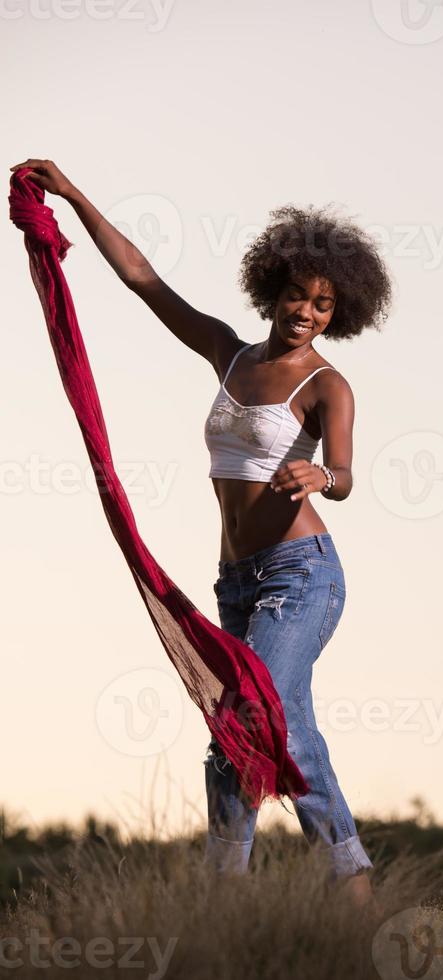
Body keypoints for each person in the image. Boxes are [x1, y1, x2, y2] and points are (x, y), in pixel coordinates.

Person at [10, 160, 392, 908]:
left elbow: (344, 474)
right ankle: (349, 890)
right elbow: (145, 280)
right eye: (296, 295)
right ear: (273, 291)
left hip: (301, 575)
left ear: (336, 314)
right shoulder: (230, 354)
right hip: (238, 584)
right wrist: (75, 196)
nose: (305, 312)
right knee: (281, 735)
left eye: (322, 304)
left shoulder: (327, 386)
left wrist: (320, 478)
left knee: (246, 722)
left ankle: (227, 896)